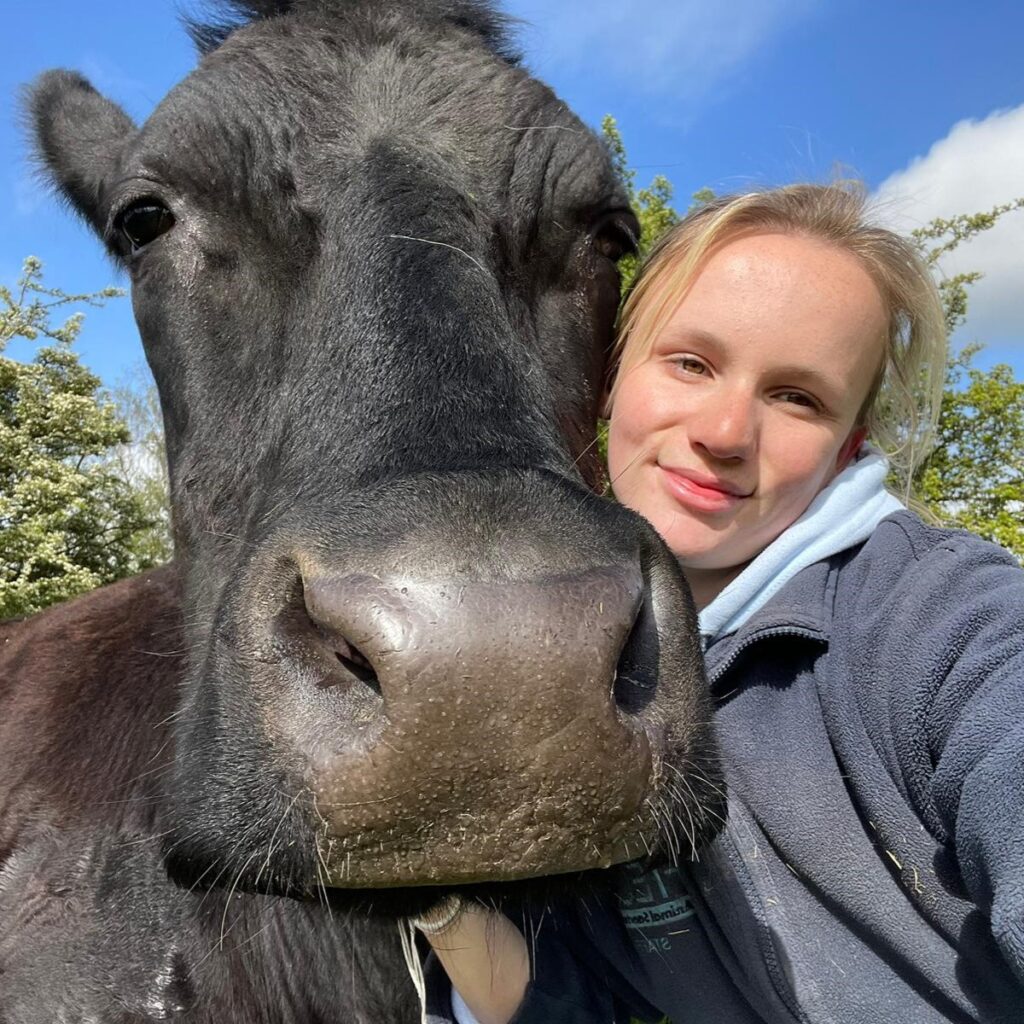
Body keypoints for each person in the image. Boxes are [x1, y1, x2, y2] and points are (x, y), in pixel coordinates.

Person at [412, 184, 1024, 1024]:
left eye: (798, 397)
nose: (728, 431)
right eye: (691, 363)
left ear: (848, 447)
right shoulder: (578, 664)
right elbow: (562, 1002)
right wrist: (431, 880)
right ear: (608, 379)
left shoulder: (948, 623)